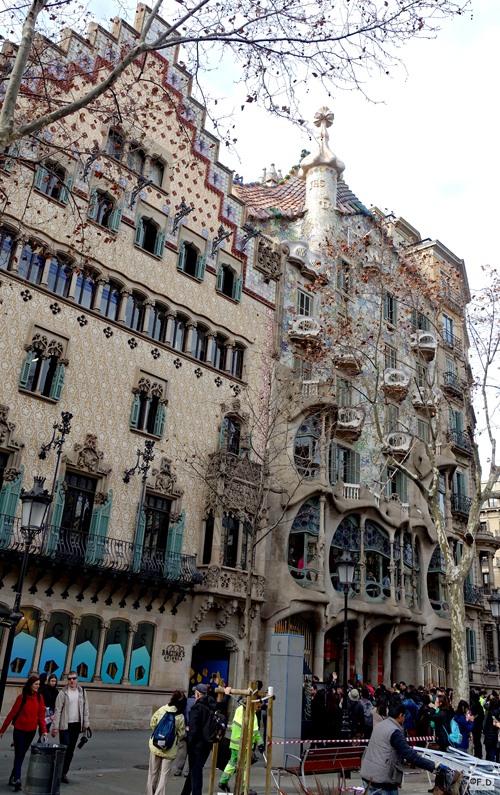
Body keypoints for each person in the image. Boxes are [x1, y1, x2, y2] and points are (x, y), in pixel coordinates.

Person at [361, 701, 436, 795]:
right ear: (400, 715)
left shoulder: (379, 725)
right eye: (404, 716)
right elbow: (409, 755)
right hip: (384, 781)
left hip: (368, 775)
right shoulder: (395, 732)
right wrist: (432, 766)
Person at [180, 684, 231, 795]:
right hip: (207, 744)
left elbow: (193, 730)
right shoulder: (212, 704)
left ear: (197, 694)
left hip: (196, 745)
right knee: (194, 770)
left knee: (196, 771)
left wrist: (189, 743)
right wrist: (227, 694)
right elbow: (222, 705)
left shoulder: (197, 708)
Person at [0, 674, 47, 791]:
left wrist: (44, 731)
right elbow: (11, 714)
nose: (38, 686)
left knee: (22, 755)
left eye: (38, 685)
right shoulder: (22, 698)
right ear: (30, 685)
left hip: (31, 731)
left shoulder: (39, 698)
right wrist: (2, 730)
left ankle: (12, 776)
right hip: (19, 729)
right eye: (36, 684)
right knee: (19, 754)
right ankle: (18, 779)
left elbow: (41, 716)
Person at [51, 671, 90, 783]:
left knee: (71, 750)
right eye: (69, 679)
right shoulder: (63, 693)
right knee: (65, 748)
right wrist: (55, 727)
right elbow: (58, 710)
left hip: (76, 725)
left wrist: (86, 723)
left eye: (74, 678)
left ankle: (64, 773)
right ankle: (57, 771)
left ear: (77, 679)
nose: (71, 681)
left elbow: (85, 708)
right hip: (65, 725)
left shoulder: (82, 691)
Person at [146, 690, 187, 795]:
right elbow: (181, 734)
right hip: (169, 749)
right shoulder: (180, 716)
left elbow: (152, 723)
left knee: (152, 774)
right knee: (164, 777)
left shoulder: (162, 709)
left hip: (155, 746)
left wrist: (159, 734)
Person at [219, 699, 263, 794]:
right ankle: (244, 788)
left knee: (233, 762)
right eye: (258, 706)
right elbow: (254, 731)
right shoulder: (251, 713)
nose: (259, 709)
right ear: (254, 703)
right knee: (245, 766)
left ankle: (223, 781)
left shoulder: (239, 709)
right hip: (244, 744)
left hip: (235, 742)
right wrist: (260, 743)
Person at [173, 691, 196, 778]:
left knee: (182, 751)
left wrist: (184, 726)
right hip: (193, 731)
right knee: (191, 751)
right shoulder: (197, 702)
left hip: (184, 731)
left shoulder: (185, 702)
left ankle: (178, 770)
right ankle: (187, 771)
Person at [39, 674, 58, 739]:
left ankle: (41, 741)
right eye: (52, 681)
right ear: (49, 681)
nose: (53, 683)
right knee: (42, 727)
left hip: (50, 712)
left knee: (47, 727)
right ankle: (41, 741)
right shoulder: (44, 689)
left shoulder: (56, 691)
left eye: (55, 681)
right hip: (43, 710)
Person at [483, 695, 500, 762]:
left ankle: (491, 765)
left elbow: (485, 723)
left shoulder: (488, 712)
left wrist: (484, 732)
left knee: (490, 750)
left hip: (489, 733)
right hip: (496, 733)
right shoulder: (498, 713)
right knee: (497, 750)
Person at [470, 691, 484, 759]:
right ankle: (479, 753)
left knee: (476, 740)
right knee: (478, 740)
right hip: (479, 725)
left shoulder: (474, 706)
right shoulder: (480, 706)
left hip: (475, 725)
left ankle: (477, 753)